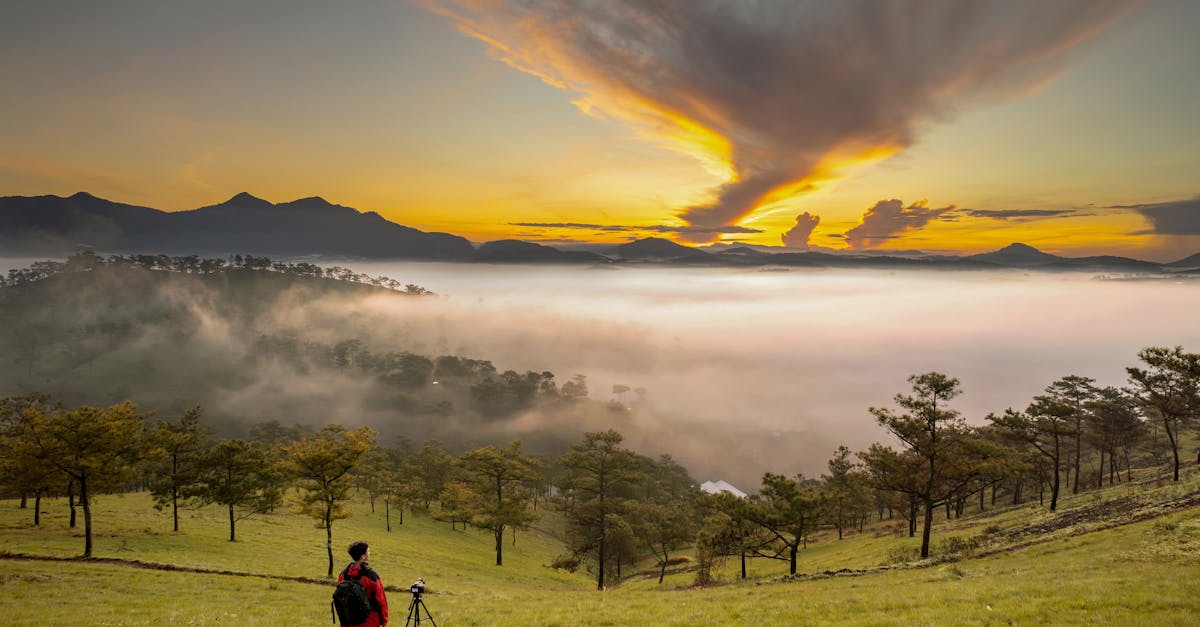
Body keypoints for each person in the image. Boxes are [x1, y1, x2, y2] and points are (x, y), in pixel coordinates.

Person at [337, 540, 389, 627]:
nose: (370, 553)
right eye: (368, 551)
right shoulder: (371, 576)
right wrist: (384, 621)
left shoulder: (343, 575)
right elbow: (380, 600)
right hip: (369, 622)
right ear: (363, 556)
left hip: (348, 621)